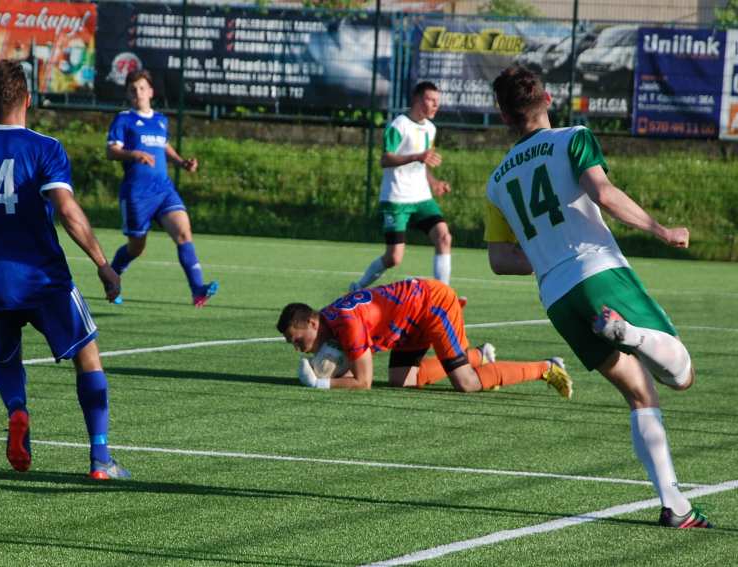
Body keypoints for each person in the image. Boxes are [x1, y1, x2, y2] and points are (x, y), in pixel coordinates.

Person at [485, 65, 710, 528]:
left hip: (557, 298)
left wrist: (544, 251)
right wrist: (661, 230)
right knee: (681, 375)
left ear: (504, 115)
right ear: (547, 98)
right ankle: (631, 333)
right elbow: (603, 194)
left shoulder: (496, 182)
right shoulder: (573, 137)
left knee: (639, 391)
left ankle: (676, 505)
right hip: (597, 273)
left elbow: (501, 260)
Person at [0, 60, 130, 480]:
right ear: (28, 98)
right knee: (87, 355)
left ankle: (17, 410)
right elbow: (67, 210)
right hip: (40, 275)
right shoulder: (45, 147)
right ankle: (100, 458)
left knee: (6, 357)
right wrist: (103, 265)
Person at [277, 278, 572, 397]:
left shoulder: (346, 324)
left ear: (313, 322)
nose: (299, 349)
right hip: (409, 322)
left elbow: (363, 381)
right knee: (402, 381)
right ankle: (476, 356)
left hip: (433, 305)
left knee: (466, 383)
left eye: (298, 340)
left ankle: (547, 367)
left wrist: (321, 383)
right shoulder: (331, 321)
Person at [105, 69, 218, 307]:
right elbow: (111, 151)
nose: (138, 93)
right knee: (136, 248)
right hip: (137, 194)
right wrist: (134, 154)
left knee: (184, 234)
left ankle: (198, 289)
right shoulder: (123, 119)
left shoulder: (160, 120)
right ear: (128, 94)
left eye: (142, 88)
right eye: (133, 89)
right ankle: (111, 276)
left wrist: (181, 162)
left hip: (164, 191)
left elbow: (163, 146)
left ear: (151, 92)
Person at [349, 81, 454, 294]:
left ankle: (444, 296)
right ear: (416, 99)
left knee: (444, 237)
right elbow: (385, 159)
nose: (436, 105)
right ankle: (358, 287)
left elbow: (423, 164)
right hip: (396, 199)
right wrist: (417, 156)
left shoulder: (431, 128)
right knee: (394, 258)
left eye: (438, 101)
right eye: (431, 100)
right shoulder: (399, 125)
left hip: (422, 198)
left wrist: (434, 183)